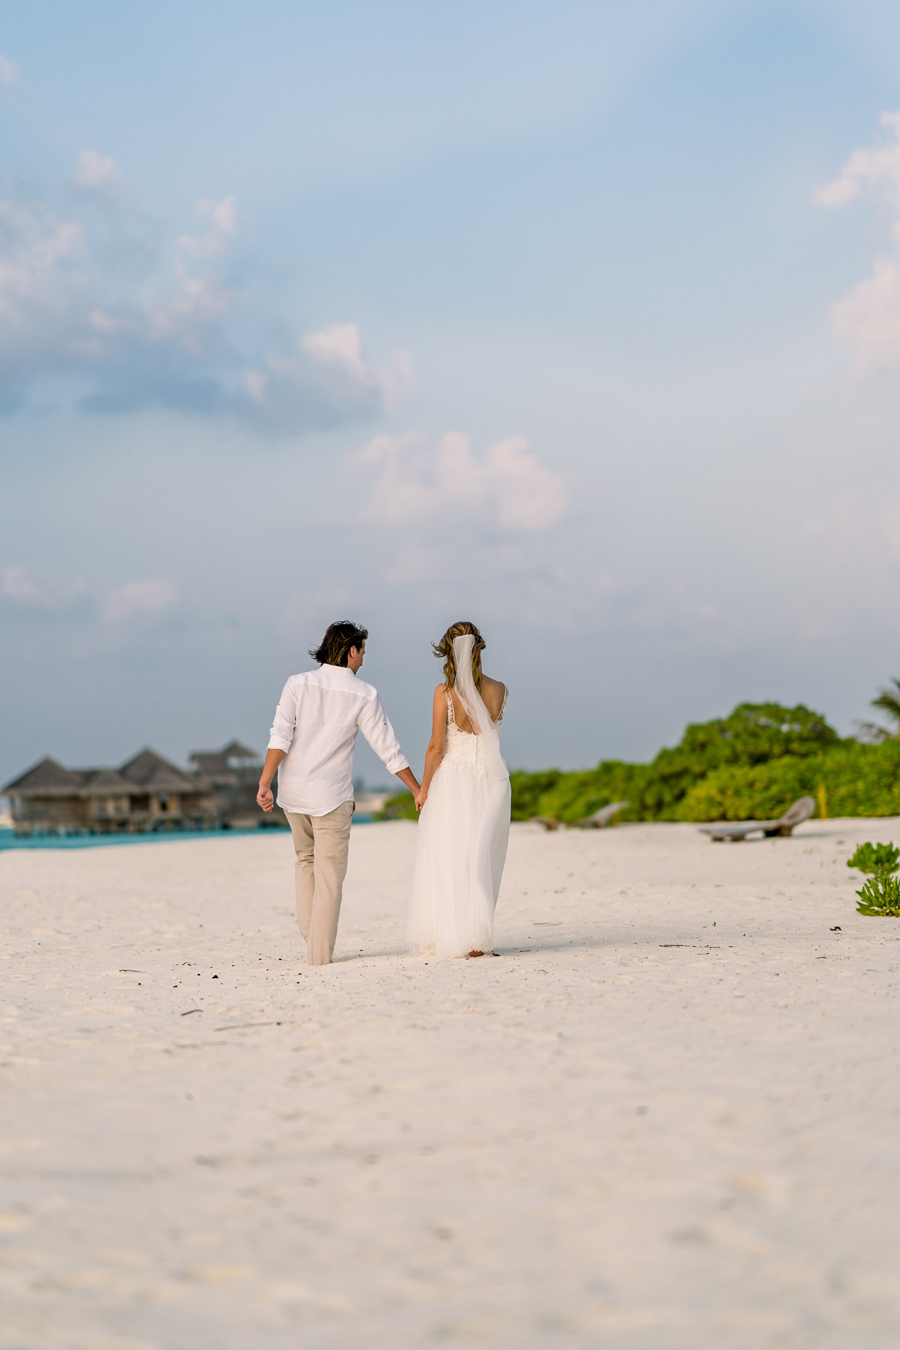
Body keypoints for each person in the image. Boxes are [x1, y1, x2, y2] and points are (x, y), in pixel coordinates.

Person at [257, 621, 419, 966]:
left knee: (305, 862)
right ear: (350, 651)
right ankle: (319, 956)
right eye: (362, 652)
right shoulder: (364, 693)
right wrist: (416, 789)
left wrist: (264, 782)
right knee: (329, 877)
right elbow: (387, 748)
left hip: (294, 793)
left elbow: (280, 735)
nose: (363, 660)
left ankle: (312, 940)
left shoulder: (297, 684)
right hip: (331, 796)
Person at [406, 621, 511, 960]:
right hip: (493, 779)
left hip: (455, 780)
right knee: (484, 858)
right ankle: (478, 938)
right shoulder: (500, 689)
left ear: (449, 651)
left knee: (452, 857)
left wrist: (423, 790)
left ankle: (456, 934)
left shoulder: (444, 692)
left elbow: (436, 747)